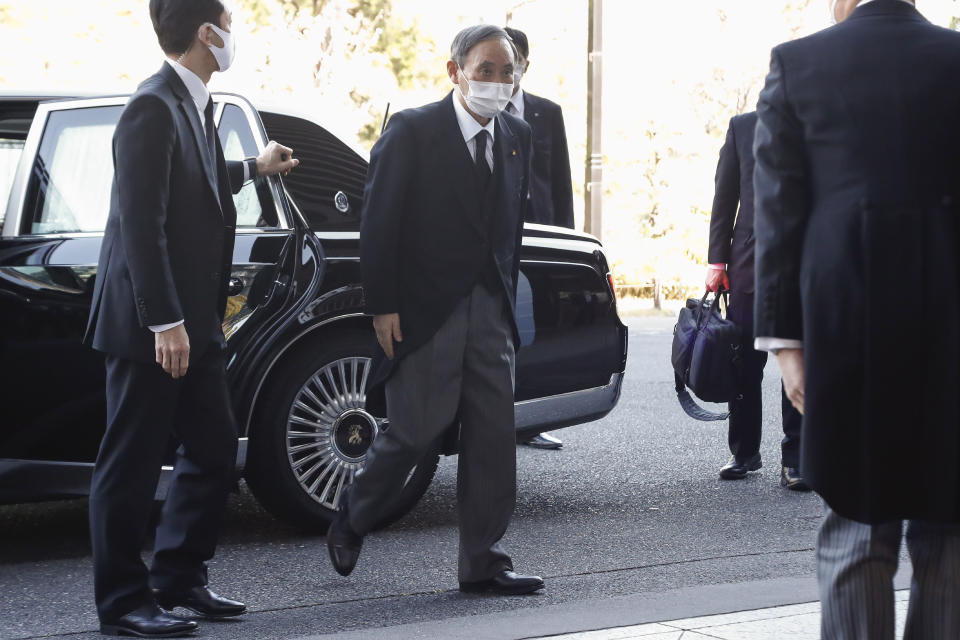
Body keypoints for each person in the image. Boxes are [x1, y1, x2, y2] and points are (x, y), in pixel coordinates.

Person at [83, 1, 298, 636]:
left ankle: (178, 578)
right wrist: (164, 322)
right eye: (229, 24)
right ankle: (123, 603)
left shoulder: (195, 101)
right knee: (129, 463)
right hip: (154, 328)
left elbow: (193, 183)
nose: (235, 35)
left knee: (211, 450)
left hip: (195, 322)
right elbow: (140, 228)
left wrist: (252, 169)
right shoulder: (151, 106)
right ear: (208, 34)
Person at [753, 0, 960, 637]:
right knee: (950, 529)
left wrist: (787, 345)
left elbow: (779, 214)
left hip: (845, 324)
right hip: (953, 324)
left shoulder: (799, 61)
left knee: (856, 520)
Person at [326, 24, 544, 596]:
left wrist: (507, 299)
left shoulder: (518, 134)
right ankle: (353, 514)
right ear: (455, 71)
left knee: (494, 438)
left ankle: (483, 561)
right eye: (485, 70)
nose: (497, 82)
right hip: (426, 309)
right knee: (414, 430)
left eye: (507, 72)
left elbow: (510, 231)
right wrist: (383, 306)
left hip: (491, 311)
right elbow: (379, 223)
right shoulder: (413, 130)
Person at [706, 111, 807, 490]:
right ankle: (744, 452)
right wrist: (716, 260)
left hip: (802, 263)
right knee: (745, 363)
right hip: (749, 262)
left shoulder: (814, 122)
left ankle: (796, 460)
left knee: (795, 356)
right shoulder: (741, 127)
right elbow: (725, 196)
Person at [503, 26, 574, 451]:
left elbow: (561, 181)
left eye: (514, 64)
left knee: (535, 328)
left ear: (526, 65)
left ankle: (530, 420)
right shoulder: (479, 107)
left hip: (540, 230)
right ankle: (494, 417)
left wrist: (565, 237)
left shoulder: (548, 112)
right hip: (495, 234)